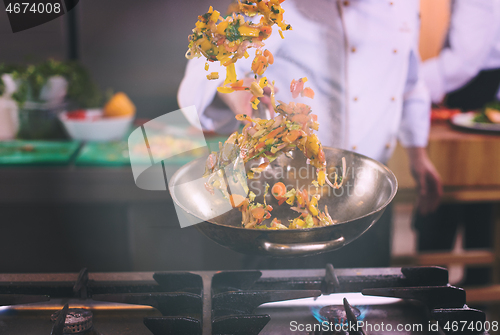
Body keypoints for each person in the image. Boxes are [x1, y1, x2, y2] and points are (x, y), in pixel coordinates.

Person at [178, 0, 442, 268]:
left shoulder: (405, 5)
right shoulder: (275, 5)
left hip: (366, 197)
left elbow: (408, 82)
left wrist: (418, 155)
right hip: (279, 199)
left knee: (365, 298)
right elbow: (207, 68)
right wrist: (239, 94)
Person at [416, 0, 500, 285]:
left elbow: (463, 62)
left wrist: (411, 85)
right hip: (479, 99)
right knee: (481, 220)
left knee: (441, 206)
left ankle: (431, 300)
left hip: (471, 102)